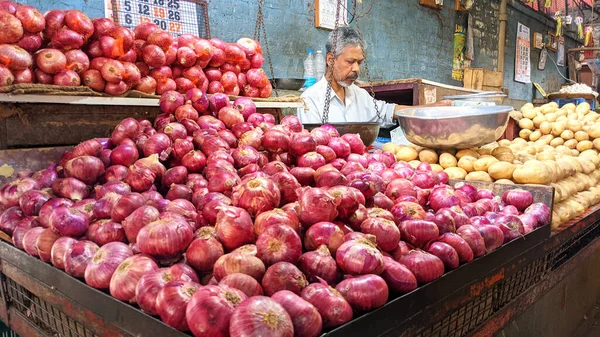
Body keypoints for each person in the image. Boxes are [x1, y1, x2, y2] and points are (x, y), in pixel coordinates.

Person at [299, 27, 451, 127]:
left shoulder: (360, 95)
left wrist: (429, 109)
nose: (356, 69)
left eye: (360, 62)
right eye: (350, 62)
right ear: (330, 59)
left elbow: (388, 111)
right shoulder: (310, 99)